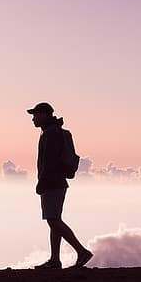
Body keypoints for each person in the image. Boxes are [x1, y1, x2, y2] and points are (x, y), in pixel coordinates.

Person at [27, 102, 93, 269]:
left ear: (44, 115)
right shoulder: (52, 132)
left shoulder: (50, 134)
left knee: (53, 219)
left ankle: (81, 252)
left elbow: (49, 162)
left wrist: (41, 182)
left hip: (52, 182)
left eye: (35, 115)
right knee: (54, 219)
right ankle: (55, 260)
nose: (33, 118)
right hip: (56, 182)